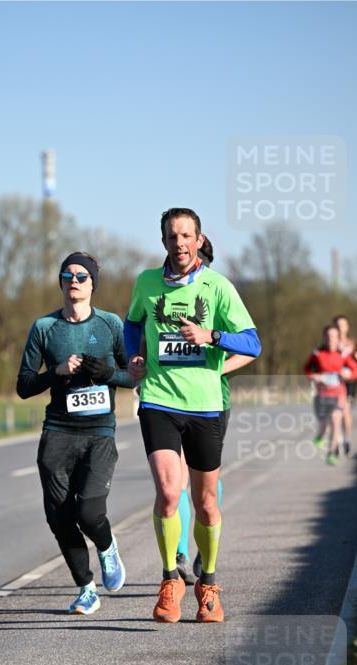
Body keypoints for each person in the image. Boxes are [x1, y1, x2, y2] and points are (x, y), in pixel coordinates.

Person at [125, 208, 261, 624]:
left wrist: (212, 336)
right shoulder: (146, 283)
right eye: (171, 236)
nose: (179, 243)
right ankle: (170, 581)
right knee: (168, 493)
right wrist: (133, 356)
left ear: (199, 239)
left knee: (205, 504)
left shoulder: (218, 286)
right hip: (159, 401)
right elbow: (133, 325)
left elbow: (252, 342)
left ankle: (208, 584)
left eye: (186, 235)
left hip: (205, 405)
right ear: (163, 241)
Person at [17, 252, 132, 614]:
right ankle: (86, 589)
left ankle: (107, 546)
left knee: (90, 511)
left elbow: (133, 376)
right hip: (58, 432)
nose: (75, 281)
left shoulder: (111, 325)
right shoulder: (44, 328)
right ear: (61, 282)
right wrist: (58, 372)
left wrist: (107, 373)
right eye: (68, 275)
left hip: (99, 432)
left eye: (82, 276)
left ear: (93, 283)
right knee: (59, 516)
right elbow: (23, 385)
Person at [303, 324, 357, 465]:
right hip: (322, 394)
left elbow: (356, 370)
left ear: (338, 338)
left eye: (334, 336)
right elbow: (306, 369)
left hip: (339, 394)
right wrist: (313, 376)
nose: (331, 339)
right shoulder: (317, 354)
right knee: (324, 425)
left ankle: (331, 453)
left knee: (336, 421)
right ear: (324, 337)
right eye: (328, 336)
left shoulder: (343, 355)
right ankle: (320, 436)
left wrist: (348, 375)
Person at [334, 315, 357, 456]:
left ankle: (347, 439)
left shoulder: (352, 342)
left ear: (347, 327)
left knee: (346, 412)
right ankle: (337, 441)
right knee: (335, 412)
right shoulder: (330, 341)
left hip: (349, 381)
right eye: (337, 325)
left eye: (342, 324)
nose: (340, 327)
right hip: (334, 381)